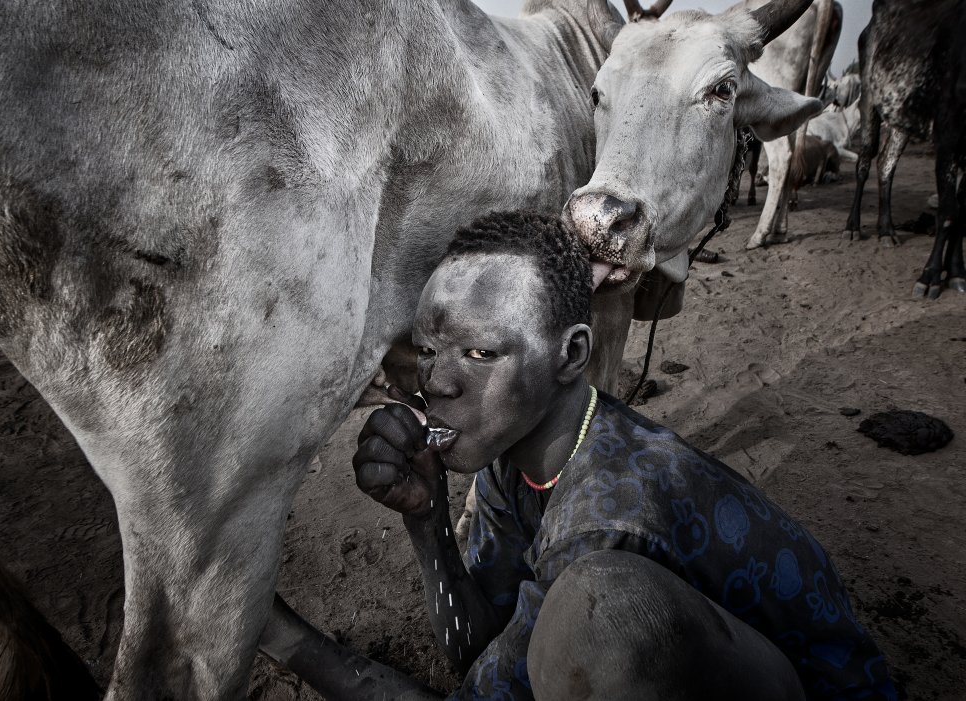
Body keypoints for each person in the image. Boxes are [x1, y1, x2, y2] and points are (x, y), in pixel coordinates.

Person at [261, 211, 897, 701]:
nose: (440, 383)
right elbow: (484, 654)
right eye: (429, 351)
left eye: (481, 354)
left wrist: (275, 630)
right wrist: (426, 521)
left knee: (602, 614)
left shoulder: (604, 519)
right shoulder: (524, 450)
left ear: (570, 356)